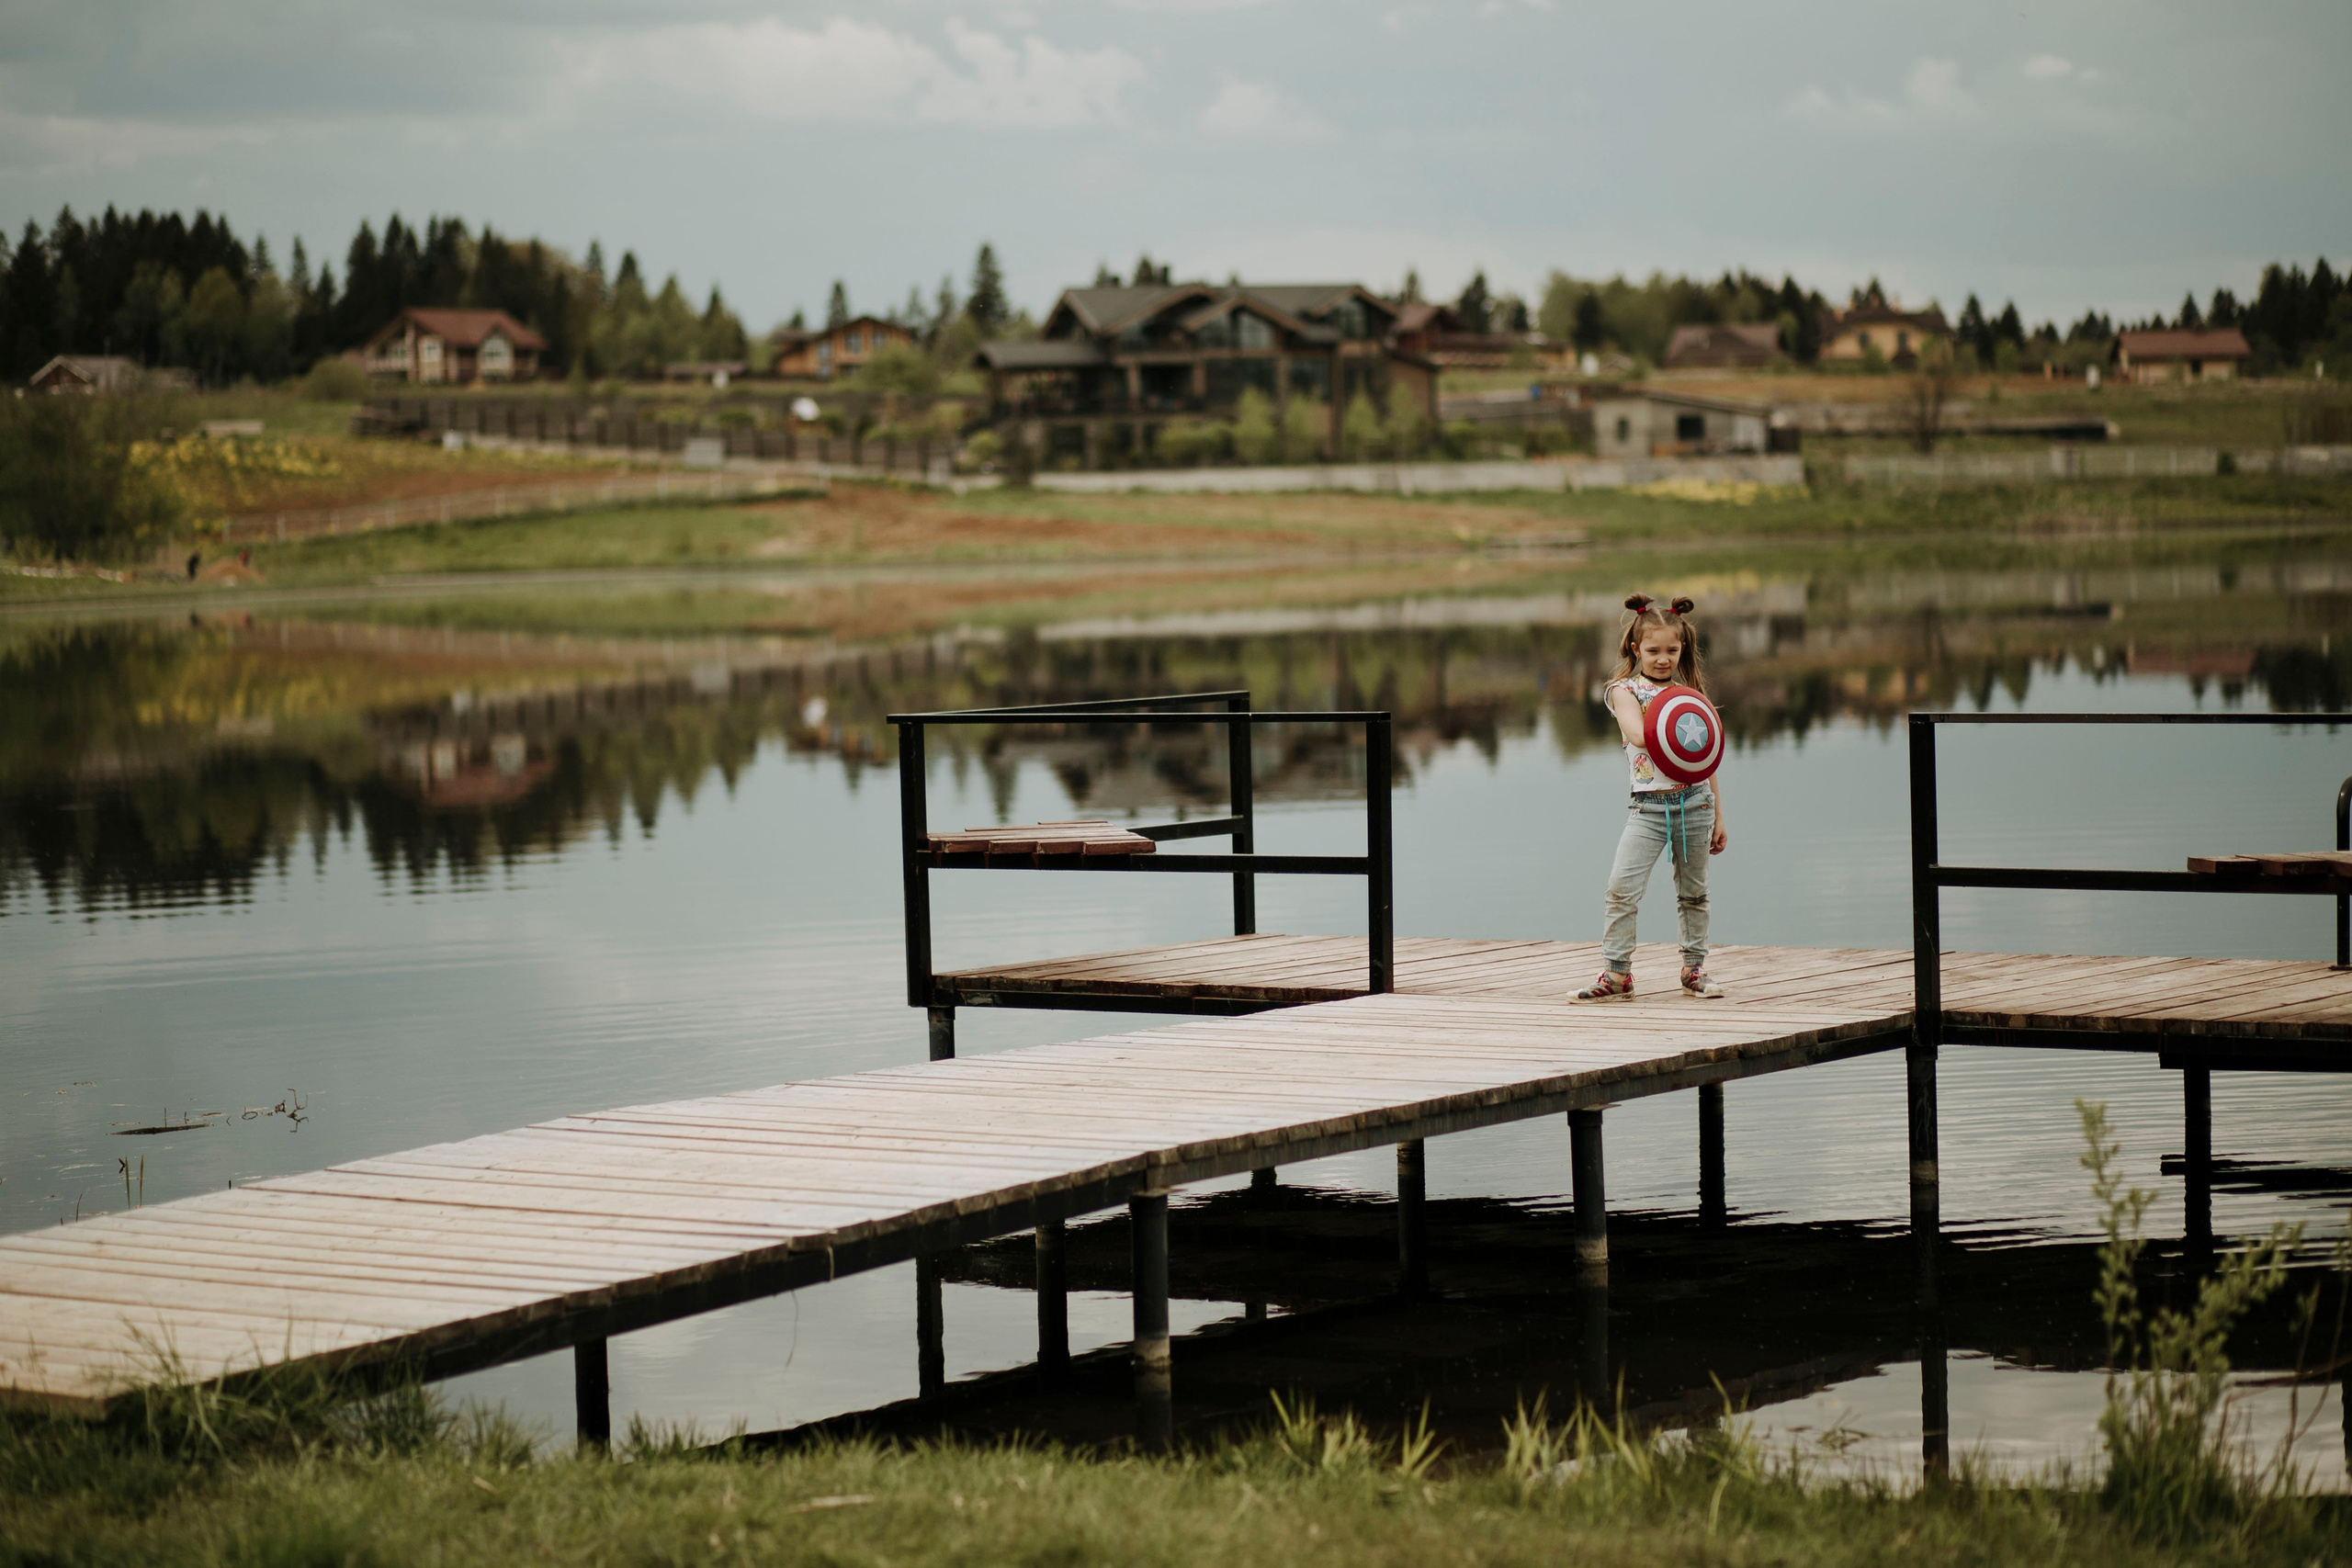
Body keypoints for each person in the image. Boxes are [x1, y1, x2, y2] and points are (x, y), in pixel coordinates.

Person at [1574, 592, 1728, 1002]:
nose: (1663, 658)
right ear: (1635, 648)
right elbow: (1640, 735)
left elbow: (1705, 759)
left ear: (1683, 649)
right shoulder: (1623, 691)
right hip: (1649, 808)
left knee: (1694, 892)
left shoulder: (1690, 695)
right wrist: (1673, 708)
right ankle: (1617, 974)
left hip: (1696, 804)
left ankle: (1694, 969)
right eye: (1654, 650)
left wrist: (1720, 815)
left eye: (1671, 650)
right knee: (1621, 888)